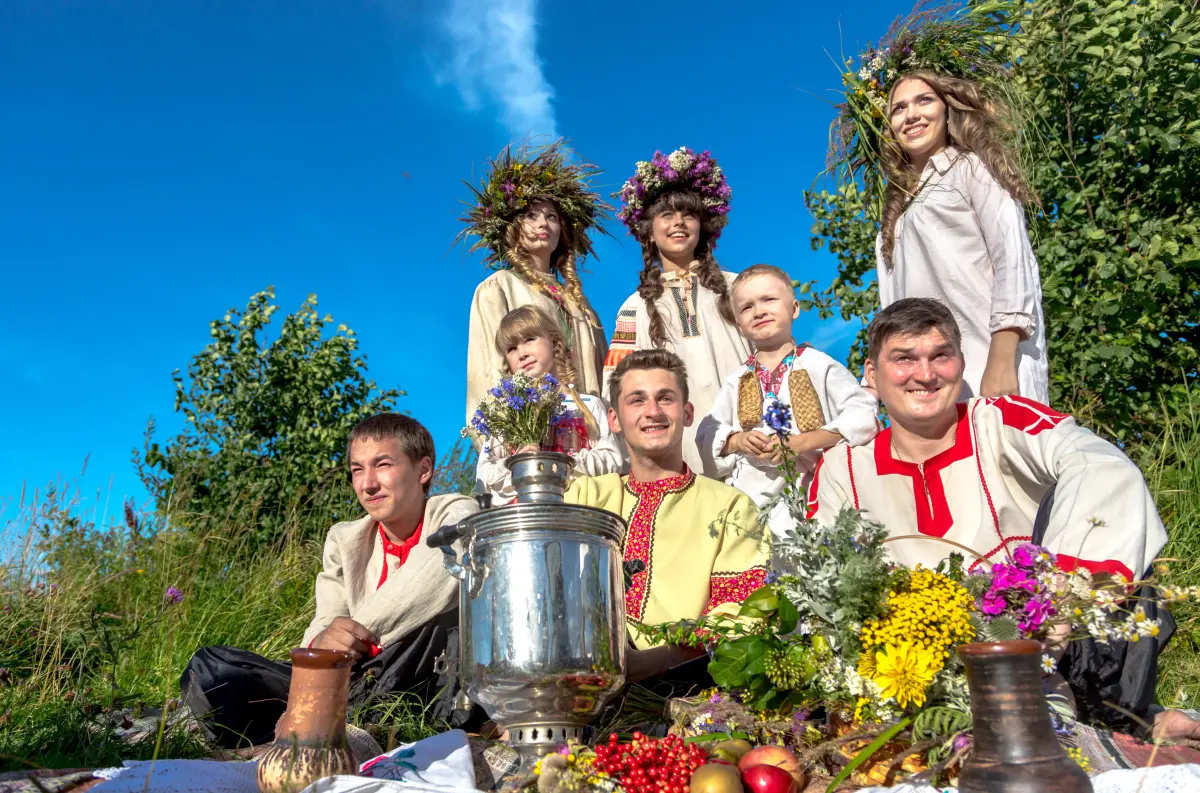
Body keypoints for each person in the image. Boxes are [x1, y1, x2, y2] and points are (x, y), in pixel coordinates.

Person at [806, 298, 1197, 740]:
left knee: (1106, 498)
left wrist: (1058, 596)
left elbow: (1101, 464)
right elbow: (822, 573)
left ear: (961, 362)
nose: (925, 374)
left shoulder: (998, 420)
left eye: (941, 355)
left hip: (1051, 643)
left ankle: (1115, 713)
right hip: (919, 663)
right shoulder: (843, 466)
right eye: (903, 359)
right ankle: (1127, 723)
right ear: (872, 374)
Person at [180, 414, 478, 750]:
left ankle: (318, 726)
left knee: (441, 621)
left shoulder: (456, 511)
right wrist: (319, 651)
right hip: (346, 678)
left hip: (415, 669)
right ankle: (321, 722)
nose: (368, 484)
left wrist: (352, 636)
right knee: (211, 669)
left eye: (382, 465)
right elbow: (325, 621)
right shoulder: (344, 538)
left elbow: (440, 573)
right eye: (357, 470)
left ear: (423, 470)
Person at [565, 349, 769, 686]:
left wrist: (646, 664)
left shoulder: (731, 506)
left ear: (687, 413)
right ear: (614, 419)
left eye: (665, 398)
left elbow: (740, 616)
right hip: (576, 693)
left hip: (688, 692)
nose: (653, 412)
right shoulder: (585, 496)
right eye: (637, 400)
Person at [874, 71, 1049, 403]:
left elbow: (1012, 257)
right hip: (925, 381)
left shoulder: (972, 169)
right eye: (898, 108)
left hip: (985, 357)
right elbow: (892, 307)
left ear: (946, 108)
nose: (911, 114)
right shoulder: (892, 216)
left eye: (924, 100)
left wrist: (1000, 358)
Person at [697, 264, 879, 538]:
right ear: (738, 325)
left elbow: (863, 414)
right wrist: (737, 440)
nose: (759, 311)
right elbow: (707, 432)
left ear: (794, 308)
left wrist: (799, 443)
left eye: (769, 300)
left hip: (813, 491)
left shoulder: (820, 366)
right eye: (746, 307)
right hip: (752, 499)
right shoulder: (737, 380)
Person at [605, 147, 750, 476]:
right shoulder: (635, 307)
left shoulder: (737, 286)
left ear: (703, 226)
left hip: (750, 450)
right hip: (676, 461)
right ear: (649, 232)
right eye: (667, 215)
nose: (679, 223)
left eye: (689, 215)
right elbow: (616, 385)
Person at [460, 141, 612, 437]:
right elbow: (490, 371)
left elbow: (603, 378)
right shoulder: (498, 288)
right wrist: (510, 443)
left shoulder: (580, 304)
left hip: (590, 438)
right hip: (532, 439)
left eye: (552, 217)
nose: (543, 223)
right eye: (531, 215)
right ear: (513, 227)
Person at [475, 306, 624, 505]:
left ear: (554, 343)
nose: (522, 354)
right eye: (511, 349)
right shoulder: (505, 416)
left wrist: (562, 464)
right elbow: (483, 477)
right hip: (523, 518)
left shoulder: (587, 405)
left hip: (576, 512)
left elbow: (613, 460)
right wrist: (517, 464)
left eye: (529, 339)